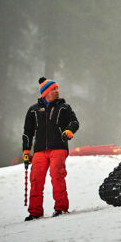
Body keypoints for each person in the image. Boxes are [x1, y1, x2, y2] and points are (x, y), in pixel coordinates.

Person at [22, 77, 79, 221]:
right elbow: (27, 132)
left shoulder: (64, 107)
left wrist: (69, 131)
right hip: (40, 151)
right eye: (53, 89)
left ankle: (61, 208)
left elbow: (74, 122)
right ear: (45, 92)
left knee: (57, 175)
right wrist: (26, 150)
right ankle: (35, 212)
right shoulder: (33, 110)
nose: (56, 91)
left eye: (57, 88)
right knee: (36, 180)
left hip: (58, 147)